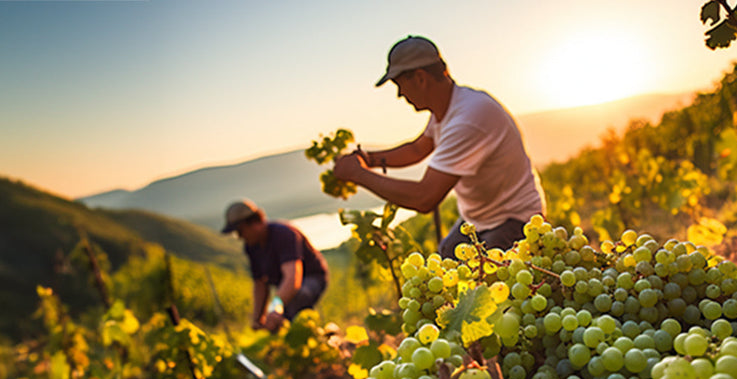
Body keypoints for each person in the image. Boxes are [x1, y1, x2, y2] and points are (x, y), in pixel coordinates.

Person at [332, 35, 545, 259]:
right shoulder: (447, 109)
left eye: (399, 84)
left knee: (483, 283)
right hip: (480, 219)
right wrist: (369, 159)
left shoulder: (468, 119)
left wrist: (358, 175)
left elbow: (424, 197)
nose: (399, 95)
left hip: (515, 219)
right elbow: (417, 149)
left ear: (420, 78)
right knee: (447, 256)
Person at [221, 199, 328, 331]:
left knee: (295, 301)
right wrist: (258, 319)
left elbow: (293, 279)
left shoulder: (284, 234)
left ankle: (308, 334)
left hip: (311, 279)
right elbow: (260, 284)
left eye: (240, 231)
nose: (239, 237)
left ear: (254, 223)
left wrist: (275, 308)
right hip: (286, 285)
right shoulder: (251, 247)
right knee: (275, 320)